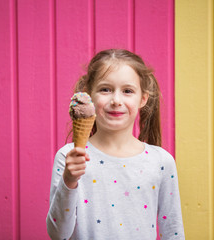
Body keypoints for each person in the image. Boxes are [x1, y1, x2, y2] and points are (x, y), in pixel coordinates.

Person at [46, 49, 185, 239]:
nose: (116, 100)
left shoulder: (161, 161)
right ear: (89, 95)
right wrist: (69, 181)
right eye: (105, 89)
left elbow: (173, 232)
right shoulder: (69, 157)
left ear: (143, 99)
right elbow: (58, 234)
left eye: (127, 91)